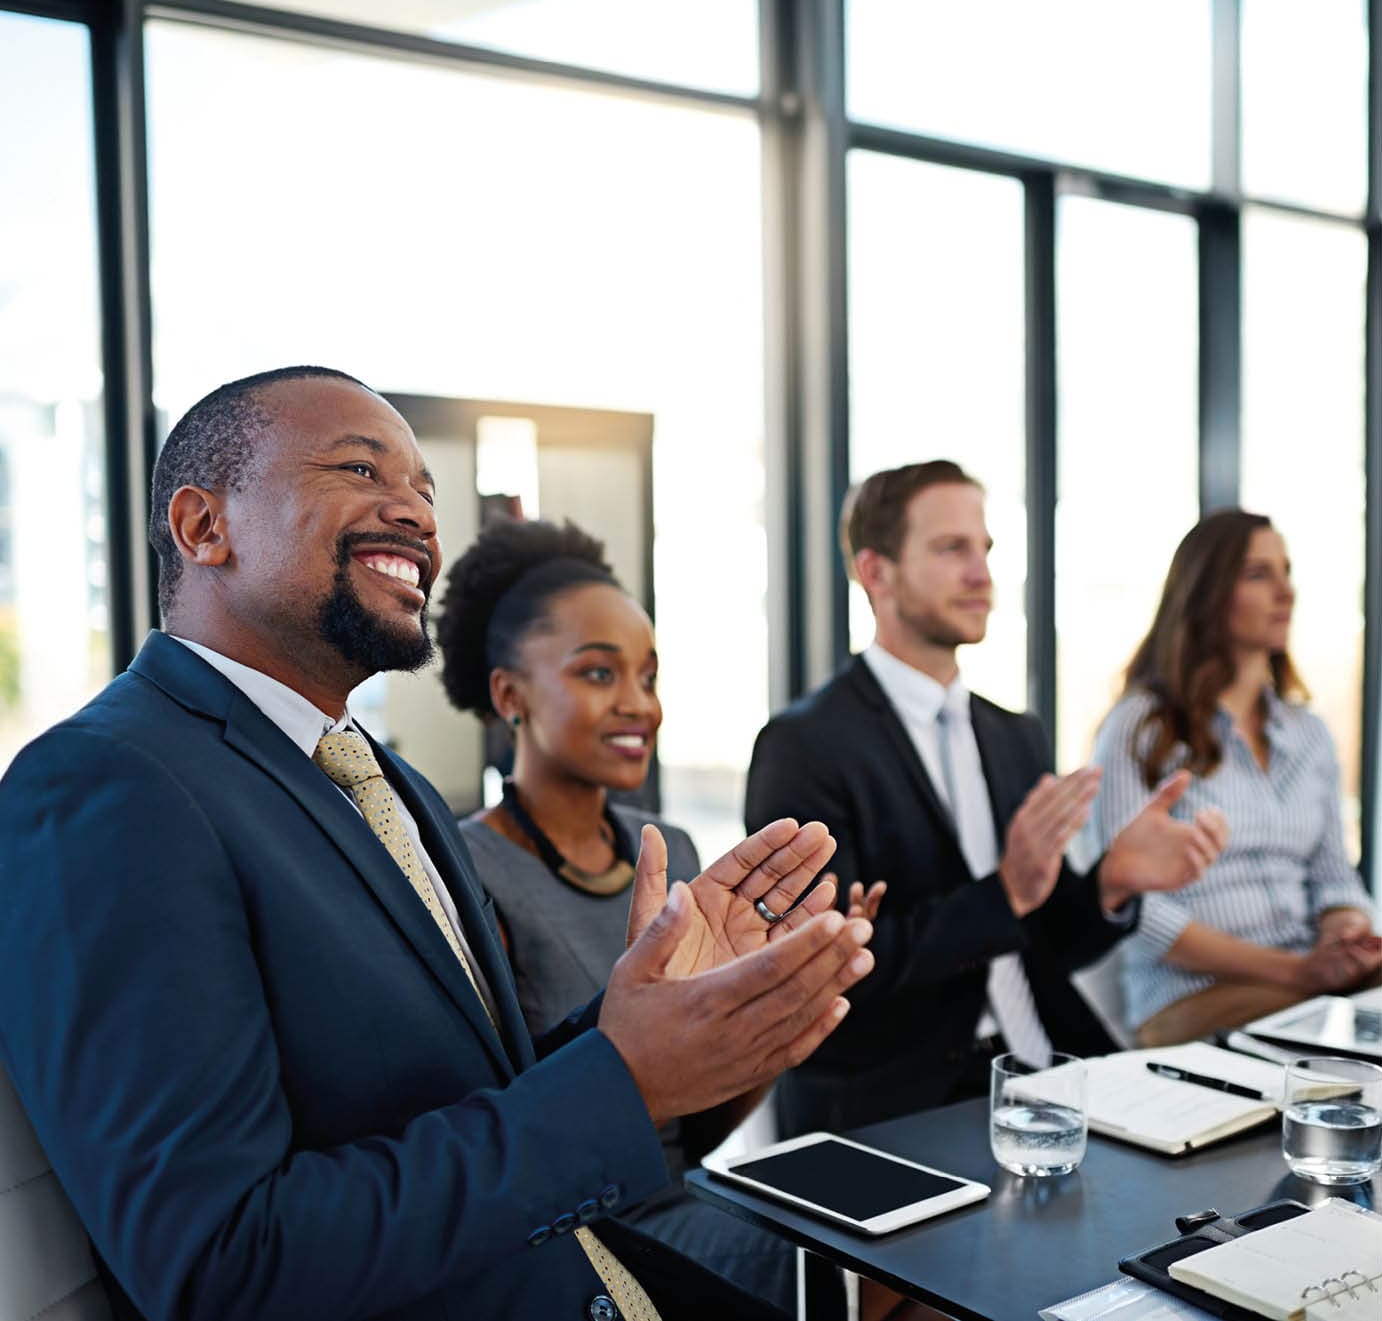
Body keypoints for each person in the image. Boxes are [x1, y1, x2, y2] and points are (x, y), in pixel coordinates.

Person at [0, 366, 876, 1321]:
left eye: (424, 488)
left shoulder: (386, 781)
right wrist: (620, 1077)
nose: (415, 514)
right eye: (360, 470)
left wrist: (644, 1021)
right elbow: (223, 1263)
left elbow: (464, 1093)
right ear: (204, 526)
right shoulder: (103, 782)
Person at [744, 460, 1229, 1136]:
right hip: (895, 1099)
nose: (982, 574)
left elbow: (1041, 941)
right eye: (951, 549)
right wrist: (1004, 891)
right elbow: (826, 970)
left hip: (1045, 1067)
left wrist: (1112, 882)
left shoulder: (1013, 735)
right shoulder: (804, 745)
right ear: (875, 572)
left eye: (984, 549)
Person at [433, 515, 795, 1312]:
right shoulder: (464, 872)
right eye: (600, 674)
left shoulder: (669, 849)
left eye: (649, 676)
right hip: (575, 1235)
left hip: (689, 1198)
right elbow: (503, 1138)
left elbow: (692, 1127)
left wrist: (772, 1022)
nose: (639, 704)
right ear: (508, 694)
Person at [1089, 508, 1381, 1046]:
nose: (1285, 592)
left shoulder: (1308, 734)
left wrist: (1346, 929)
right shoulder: (1142, 726)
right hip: (1197, 995)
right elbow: (1138, 913)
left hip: (1312, 982)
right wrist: (1294, 971)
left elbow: (1335, 877)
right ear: (1207, 593)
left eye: (1285, 571)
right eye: (1258, 574)